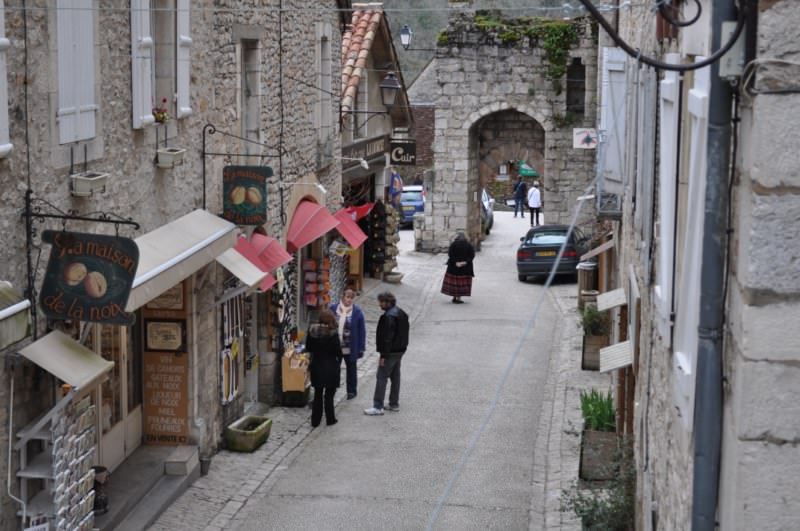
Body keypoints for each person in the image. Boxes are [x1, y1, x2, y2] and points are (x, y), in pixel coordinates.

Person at [364, 292, 409, 416]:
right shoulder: (402, 313)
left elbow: (387, 338)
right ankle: (394, 403)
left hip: (390, 352)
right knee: (395, 377)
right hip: (399, 351)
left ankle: (378, 406)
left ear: (387, 302)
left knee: (381, 377)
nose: (379, 305)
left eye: (381, 302)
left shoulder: (388, 316)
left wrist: (383, 355)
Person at [305, 309, 343, 427]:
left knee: (317, 393)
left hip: (317, 365)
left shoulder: (312, 331)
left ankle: (315, 420)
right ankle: (330, 419)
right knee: (329, 395)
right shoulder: (333, 333)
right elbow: (338, 352)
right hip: (331, 366)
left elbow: (308, 347)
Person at [330, 288, 366, 400]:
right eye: (347, 297)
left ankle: (351, 391)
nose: (349, 300)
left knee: (351, 369)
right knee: (334, 368)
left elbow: (362, 331)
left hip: (350, 346)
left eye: (351, 298)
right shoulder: (333, 308)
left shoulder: (357, 312)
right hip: (336, 346)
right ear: (343, 297)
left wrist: (361, 348)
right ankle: (333, 388)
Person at [440, 232, 475, 304]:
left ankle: (454, 297)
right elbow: (472, 255)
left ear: (457, 237)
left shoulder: (453, 244)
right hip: (465, 268)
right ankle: (458, 298)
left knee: (455, 283)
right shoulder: (469, 245)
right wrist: (465, 262)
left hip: (454, 267)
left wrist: (456, 262)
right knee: (461, 284)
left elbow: (450, 254)